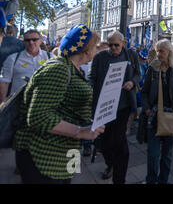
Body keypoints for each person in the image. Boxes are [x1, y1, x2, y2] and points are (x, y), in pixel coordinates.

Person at [13, 24, 104, 184]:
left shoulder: (76, 69)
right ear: (85, 50)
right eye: (95, 47)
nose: (98, 50)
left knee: (68, 179)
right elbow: (37, 116)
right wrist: (80, 131)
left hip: (67, 150)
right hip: (44, 154)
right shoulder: (58, 68)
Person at [89, 31, 141, 184]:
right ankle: (110, 164)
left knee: (119, 140)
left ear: (123, 43)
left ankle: (119, 177)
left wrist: (132, 82)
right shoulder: (100, 57)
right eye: (110, 44)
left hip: (123, 105)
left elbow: (138, 74)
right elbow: (91, 77)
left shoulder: (131, 55)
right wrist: (89, 90)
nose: (113, 48)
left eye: (116, 45)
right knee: (104, 142)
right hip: (104, 106)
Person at [141, 39, 173, 184]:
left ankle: (163, 181)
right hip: (154, 117)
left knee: (167, 155)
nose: (158, 54)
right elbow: (144, 92)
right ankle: (151, 181)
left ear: (168, 52)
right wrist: (147, 110)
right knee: (153, 154)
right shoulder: (152, 68)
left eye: (161, 51)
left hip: (171, 118)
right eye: (157, 51)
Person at [0, 29, 53, 103]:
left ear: (40, 41)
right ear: (24, 42)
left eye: (34, 39)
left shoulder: (51, 58)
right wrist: (2, 103)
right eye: (27, 40)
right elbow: (4, 82)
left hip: (44, 102)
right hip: (17, 103)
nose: (31, 42)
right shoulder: (13, 58)